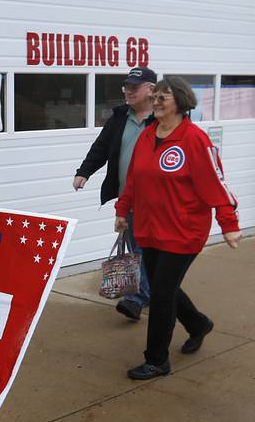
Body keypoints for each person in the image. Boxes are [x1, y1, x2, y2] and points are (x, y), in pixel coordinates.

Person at [114, 76, 242, 380]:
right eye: (154, 96)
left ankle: (157, 360)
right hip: (149, 229)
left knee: (160, 295)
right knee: (163, 287)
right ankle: (198, 324)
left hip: (183, 232)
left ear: (181, 102)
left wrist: (229, 223)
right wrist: (122, 210)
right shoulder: (148, 136)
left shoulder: (195, 140)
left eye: (163, 97)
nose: (156, 102)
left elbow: (216, 183)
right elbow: (133, 179)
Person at [74, 67, 156, 321]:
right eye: (126, 87)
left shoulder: (164, 119)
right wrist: (84, 171)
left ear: (151, 89)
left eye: (135, 87)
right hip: (127, 197)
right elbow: (101, 146)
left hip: (156, 200)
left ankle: (137, 298)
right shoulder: (120, 117)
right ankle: (149, 291)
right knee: (137, 248)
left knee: (144, 250)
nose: (128, 91)